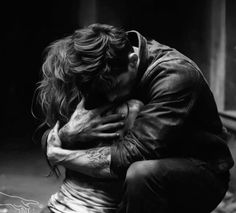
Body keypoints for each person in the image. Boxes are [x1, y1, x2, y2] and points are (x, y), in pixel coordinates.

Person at [38, 23, 234, 213]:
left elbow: (131, 156)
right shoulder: (98, 76)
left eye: (115, 87)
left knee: (141, 174)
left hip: (198, 173)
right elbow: (51, 135)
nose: (111, 98)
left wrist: (60, 156)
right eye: (104, 92)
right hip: (128, 180)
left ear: (133, 61)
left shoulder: (175, 76)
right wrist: (69, 133)